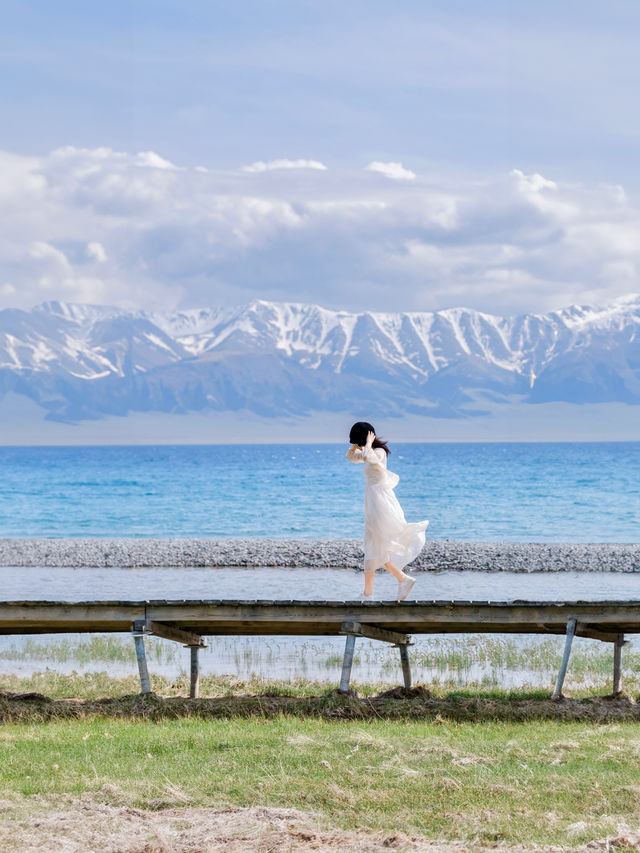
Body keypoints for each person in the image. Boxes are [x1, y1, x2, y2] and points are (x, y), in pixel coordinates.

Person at [346, 421, 428, 601]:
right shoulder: (368, 450)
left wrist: (367, 443)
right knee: (374, 546)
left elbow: (368, 457)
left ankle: (374, 591)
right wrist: (355, 445)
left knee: (374, 544)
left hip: (380, 502)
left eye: (360, 442)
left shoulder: (379, 452)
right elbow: (351, 457)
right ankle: (395, 581)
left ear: (368, 437)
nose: (360, 446)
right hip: (373, 500)